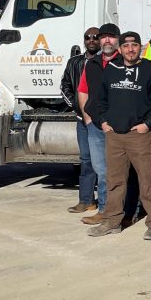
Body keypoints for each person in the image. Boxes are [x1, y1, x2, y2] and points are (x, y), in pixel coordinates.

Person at [87, 31, 151, 239]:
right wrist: (103, 121)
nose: (130, 49)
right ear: (120, 49)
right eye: (126, 45)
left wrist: (148, 125)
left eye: (134, 45)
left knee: (149, 180)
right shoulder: (111, 70)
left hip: (140, 136)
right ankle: (111, 221)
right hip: (114, 135)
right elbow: (99, 100)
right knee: (114, 180)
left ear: (141, 47)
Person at [76, 23, 121, 225]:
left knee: (120, 170)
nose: (106, 41)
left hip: (118, 127)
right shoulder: (92, 63)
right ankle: (103, 209)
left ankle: (124, 211)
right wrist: (87, 117)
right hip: (95, 126)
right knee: (101, 170)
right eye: (103, 37)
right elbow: (82, 90)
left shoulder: (125, 62)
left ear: (118, 40)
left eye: (111, 37)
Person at [61, 26, 101, 214]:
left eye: (96, 37)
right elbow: (65, 86)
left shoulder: (108, 61)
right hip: (82, 120)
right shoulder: (74, 62)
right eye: (88, 37)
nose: (92, 40)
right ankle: (86, 200)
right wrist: (77, 106)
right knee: (86, 160)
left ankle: (106, 203)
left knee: (105, 162)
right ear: (84, 40)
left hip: (103, 120)